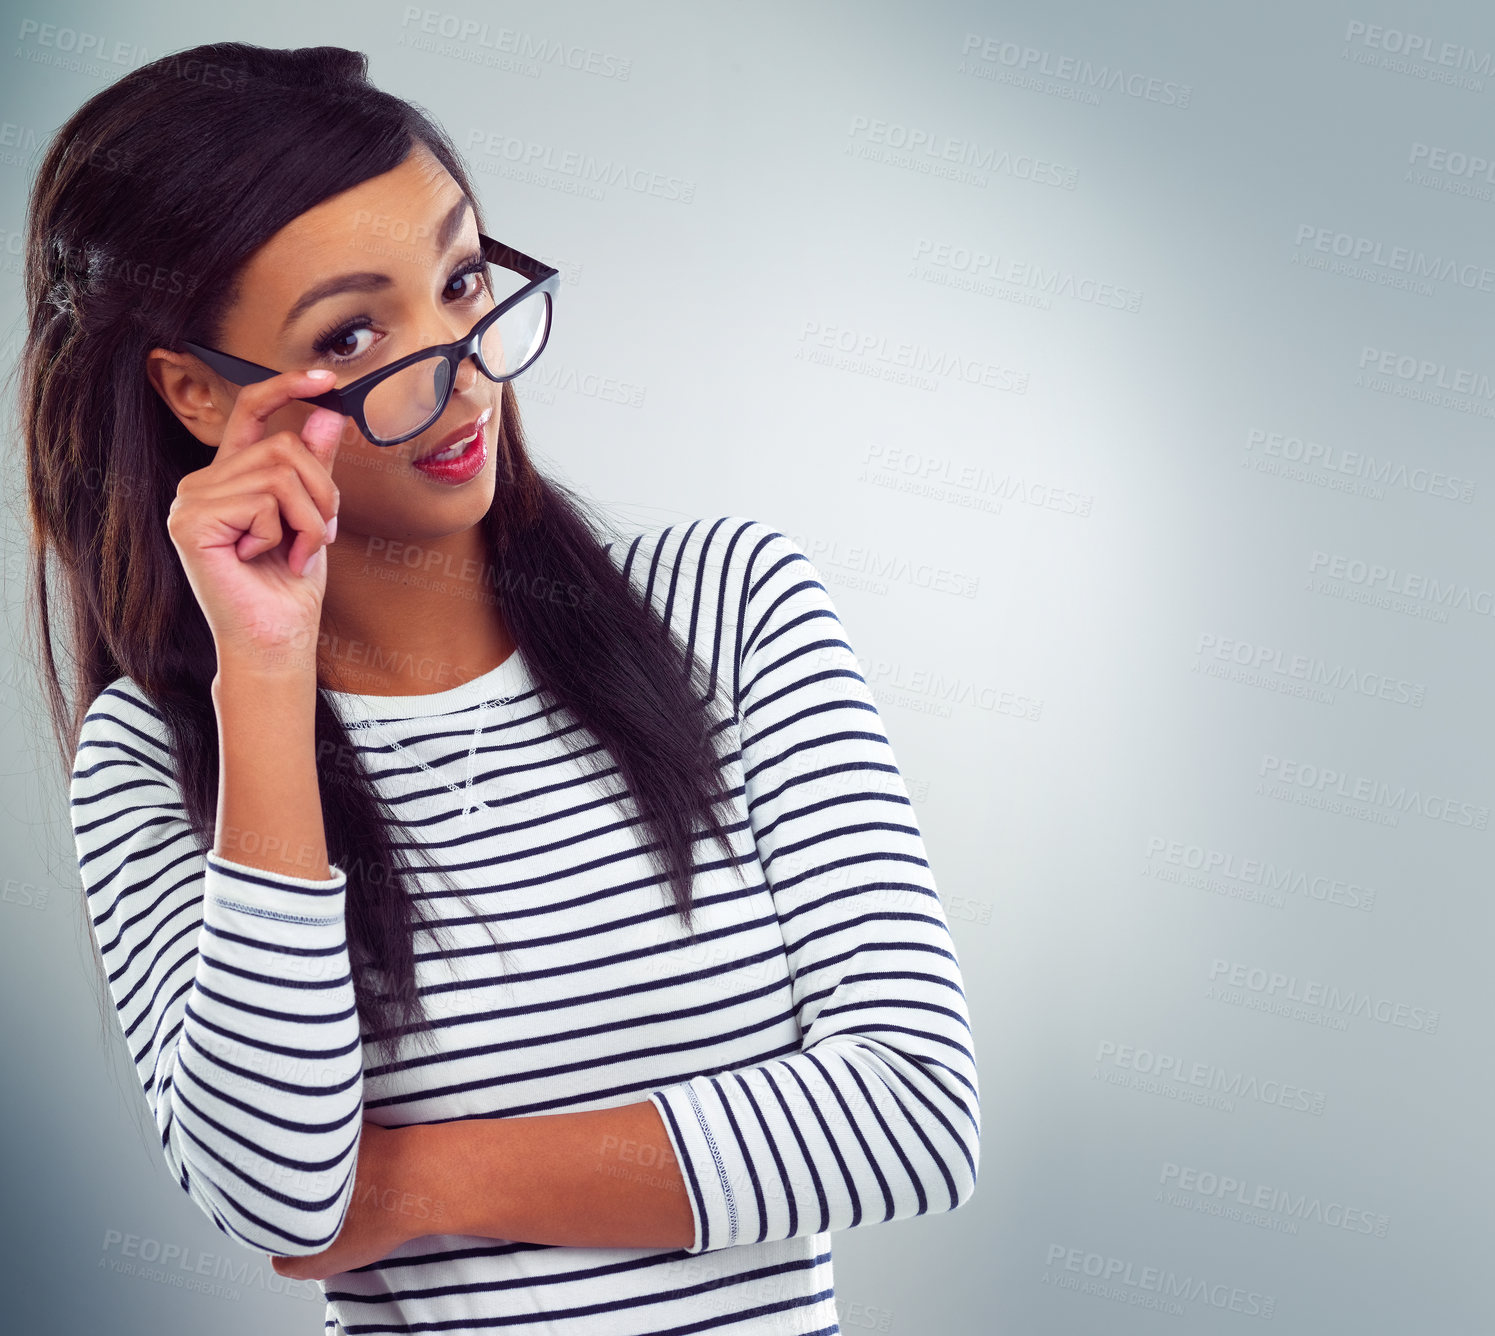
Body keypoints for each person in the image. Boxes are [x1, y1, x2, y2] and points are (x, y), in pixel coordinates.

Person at [27, 41, 981, 1334]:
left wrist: (422, 1179)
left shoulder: (729, 608)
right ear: (199, 392)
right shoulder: (159, 754)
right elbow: (281, 1197)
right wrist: (262, 678)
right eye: (356, 331)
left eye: (461, 280)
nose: (459, 366)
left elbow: (913, 1114)